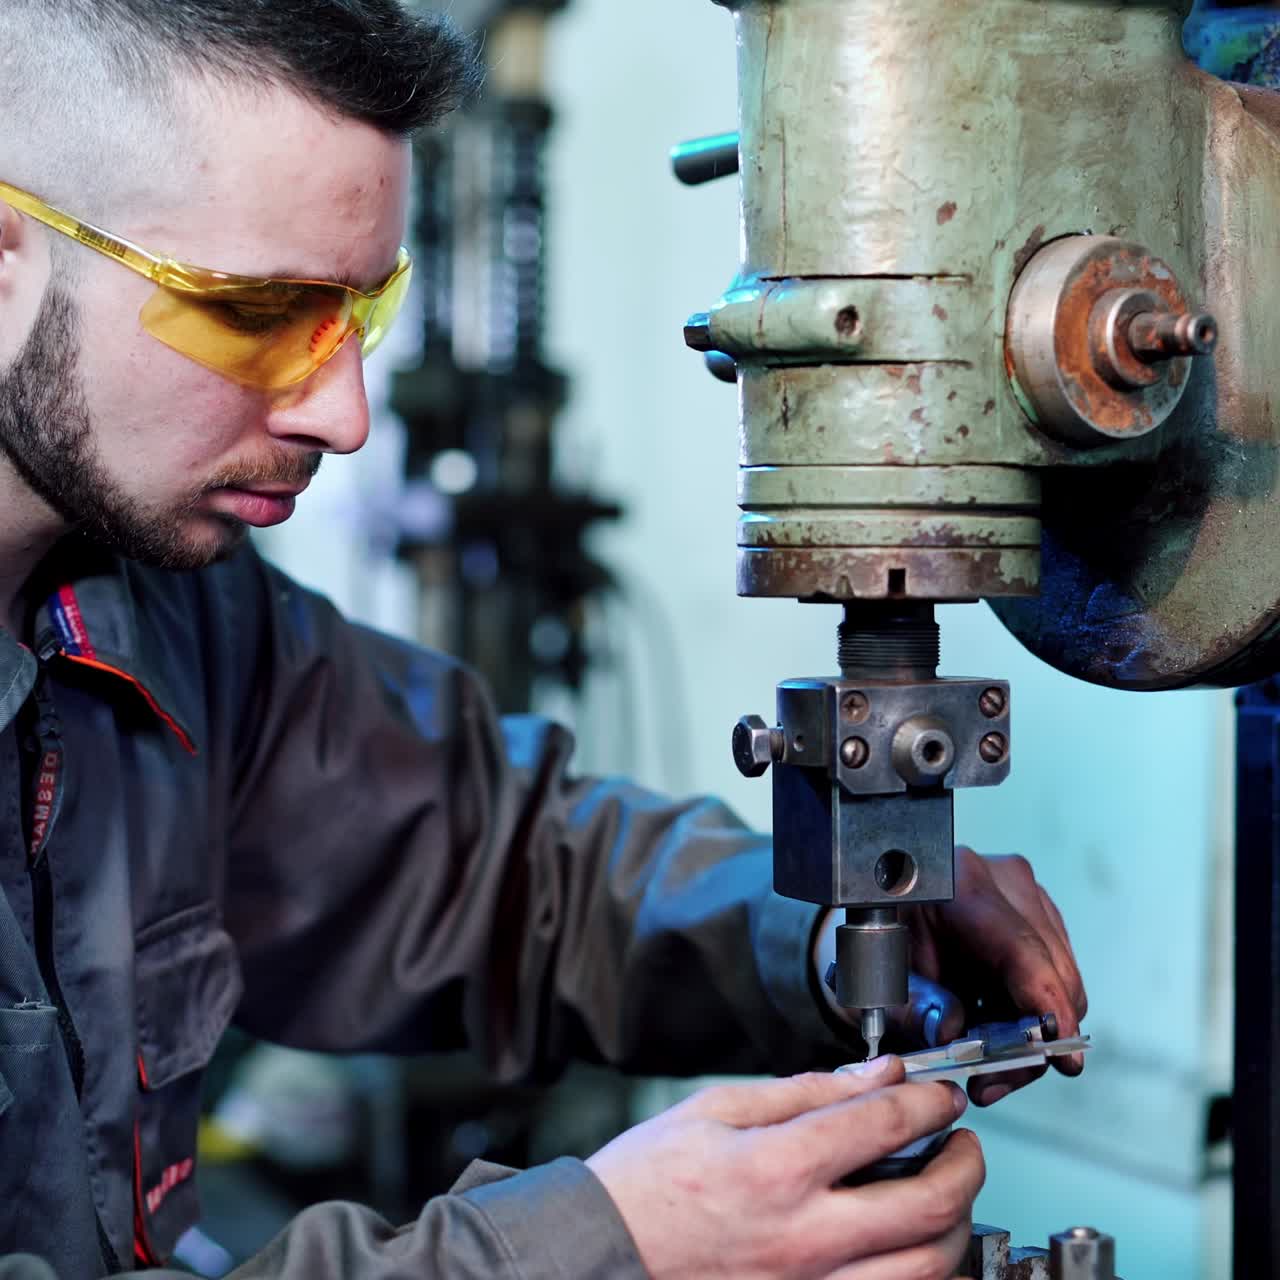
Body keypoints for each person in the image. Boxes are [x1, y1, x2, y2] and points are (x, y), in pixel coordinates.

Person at [0, 3, 1088, 1277]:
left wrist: (823, 924)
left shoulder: (171, 613)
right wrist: (596, 1245)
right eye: (253, 313)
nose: (343, 414)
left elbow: (499, 863)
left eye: (360, 313)